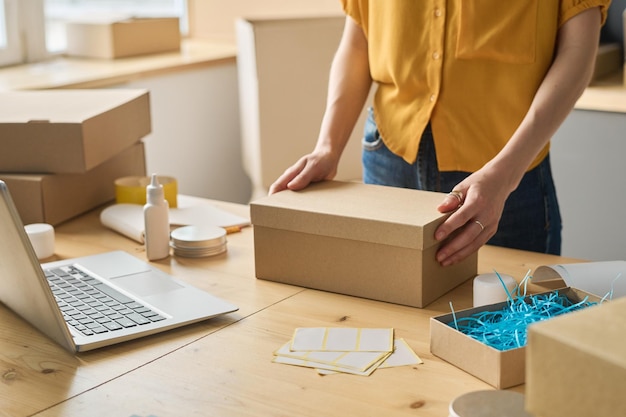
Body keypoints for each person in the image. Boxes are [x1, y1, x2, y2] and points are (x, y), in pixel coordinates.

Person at [269, 1, 610, 267]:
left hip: (506, 174)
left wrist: (504, 175)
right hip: (388, 156)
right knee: (388, 323)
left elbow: (578, 51)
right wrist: (328, 147)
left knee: (514, 329)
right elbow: (359, 38)